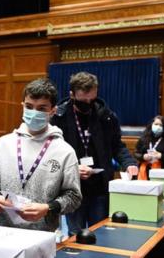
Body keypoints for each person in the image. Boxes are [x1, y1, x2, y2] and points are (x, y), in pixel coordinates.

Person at [0, 78, 82, 232]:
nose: (34, 113)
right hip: (3, 229)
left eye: (42, 108)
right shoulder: (4, 143)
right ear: (22, 106)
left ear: (53, 111)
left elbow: (74, 196)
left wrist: (48, 208)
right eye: (29, 107)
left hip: (43, 233)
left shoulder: (65, 151)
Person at [50, 71, 138, 236]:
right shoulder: (58, 117)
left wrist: (129, 163)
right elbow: (50, 153)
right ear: (72, 94)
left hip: (99, 186)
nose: (88, 103)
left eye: (92, 99)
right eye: (83, 100)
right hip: (72, 187)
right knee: (76, 234)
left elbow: (117, 146)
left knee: (100, 233)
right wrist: (73, 168)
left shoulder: (106, 116)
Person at [134, 115, 164, 180]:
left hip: (162, 172)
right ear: (151, 125)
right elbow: (136, 153)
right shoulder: (144, 138)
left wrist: (162, 156)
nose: (158, 127)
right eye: (156, 124)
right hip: (144, 170)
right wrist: (143, 156)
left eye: (160, 125)